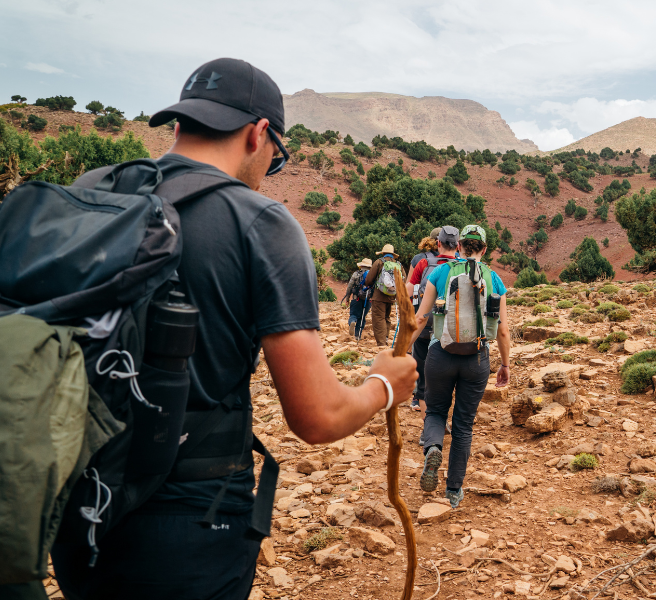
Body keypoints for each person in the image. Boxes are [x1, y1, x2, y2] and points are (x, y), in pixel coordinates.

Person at [49, 58, 417, 600]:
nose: (270, 166)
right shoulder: (261, 223)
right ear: (259, 134)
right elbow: (316, 416)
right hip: (191, 522)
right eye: (276, 155)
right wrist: (383, 386)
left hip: (76, 505)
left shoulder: (93, 193)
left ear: (180, 125)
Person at [410, 225, 510, 508]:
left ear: (459, 247)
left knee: (437, 410)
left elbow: (420, 318)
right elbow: (502, 331)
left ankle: (432, 448)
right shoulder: (494, 279)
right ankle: (453, 490)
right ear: (485, 249)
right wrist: (505, 364)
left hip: (440, 355)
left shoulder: (441, 273)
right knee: (464, 425)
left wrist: (403, 350)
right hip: (477, 360)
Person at [406, 226, 459, 412]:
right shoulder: (462, 265)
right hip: (451, 329)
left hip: (424, 324)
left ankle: (419, 398)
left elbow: (409, 289)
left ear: (438, 243)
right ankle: (441, 409)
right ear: (457, 245)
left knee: (421, 364)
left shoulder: (422, 262)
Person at [363, 244, 401, 347]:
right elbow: (403, 279)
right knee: (386, 317)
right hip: (391, 296)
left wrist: (367, 285)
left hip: (378, 295)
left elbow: (369, 279)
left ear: (383, 253)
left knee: (378, 318)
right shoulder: (398, 264)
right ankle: (386, 338)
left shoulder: (379, 262)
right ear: (393, 254)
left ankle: (381, 343)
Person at [344, 258, 372, 340]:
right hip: (368, 299)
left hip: (357, 299)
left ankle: (352, 321)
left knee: (354, 315)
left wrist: (347, 298)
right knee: (362, 317)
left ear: (361, 266)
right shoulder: (373, 275)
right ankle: (358, 335)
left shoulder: (356, 274)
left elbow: (350, 286)